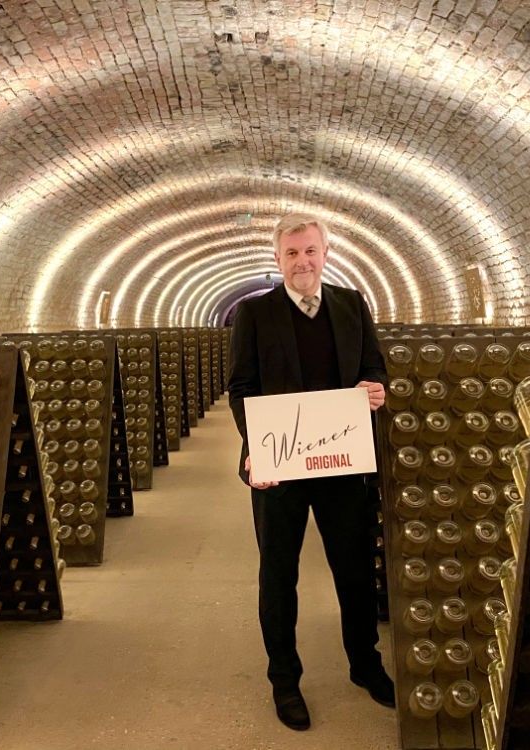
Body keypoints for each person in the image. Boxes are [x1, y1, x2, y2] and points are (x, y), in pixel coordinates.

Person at [228, 212, 394, 732]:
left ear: (326, 253)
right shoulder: (255, 313)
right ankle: (284, 677)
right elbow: (241, 387)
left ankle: (365, 665)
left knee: (354, 569)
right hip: (281, 466)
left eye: (310, 251)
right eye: (292, 253)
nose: (303, 261)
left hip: (343, 464)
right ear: (278, 260)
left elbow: (375, 367)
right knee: (279, 574)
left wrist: (375, 389)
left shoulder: (351, 305)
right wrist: (256, 447)